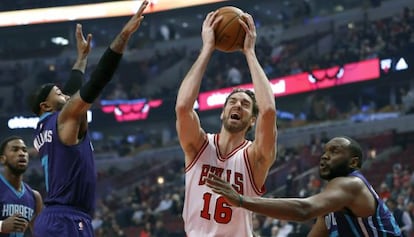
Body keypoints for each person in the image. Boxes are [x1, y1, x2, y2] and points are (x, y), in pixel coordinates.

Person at [29, 1, 149, 236]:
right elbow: (96, 83)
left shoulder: (43, 129)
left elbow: (72, 94)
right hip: (67, 219)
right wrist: (124, 36)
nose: (64, 93)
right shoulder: (63, 120)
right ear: (45, 104)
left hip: (58, 218)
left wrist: (81, 58)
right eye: (57, 91)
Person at [175, 10, 277, 237]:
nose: (237, 106)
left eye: (244, 104)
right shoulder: (199, 146)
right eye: (232, 102)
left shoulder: (254, 157)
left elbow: (268, 111)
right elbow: (183, 107)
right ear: (222, 114)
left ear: (252, 120)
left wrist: (249, 52)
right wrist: (207, 48)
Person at [206, 136, 403, 236]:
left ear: (353, 162)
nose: (325, 156)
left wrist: (242, 201)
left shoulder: (352, 184)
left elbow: (303, 210)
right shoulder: (331, 207)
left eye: (334, 151)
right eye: (325, 151)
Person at [0, 136, 43, 236]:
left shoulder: (35, 196)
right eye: (15, 150)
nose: (21, 153)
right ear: (2, 159)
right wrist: (2, 225)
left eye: (24, 150)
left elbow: (40, 233)